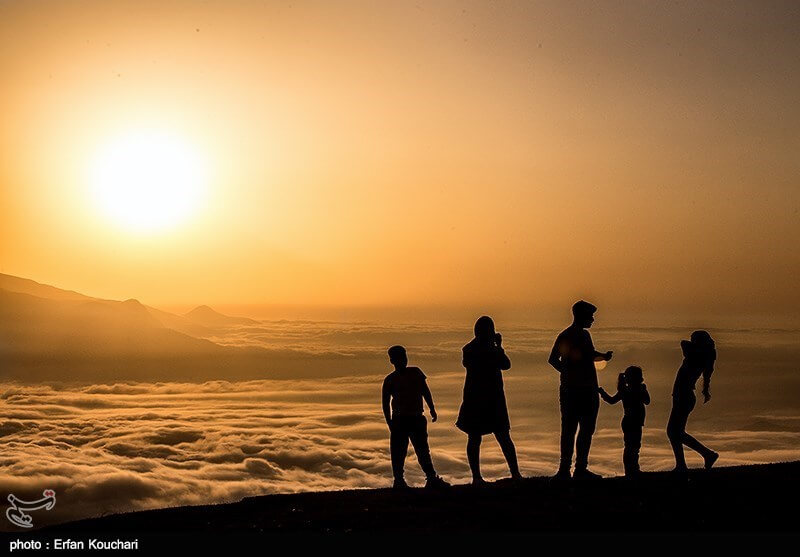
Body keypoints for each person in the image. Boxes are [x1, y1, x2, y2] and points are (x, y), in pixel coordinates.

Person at [548, 300, 613, 480]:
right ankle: (566, 469)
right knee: (571, 429)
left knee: (585, 429)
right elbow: (553, 359)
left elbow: (588, 354)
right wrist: (569, 372)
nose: (592, 319)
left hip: (585, 389)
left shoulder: (583, 336)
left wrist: (602, 356)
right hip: (574, 390)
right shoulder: (567, 336)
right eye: (590, 316)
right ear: (581, 316)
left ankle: (579, 469)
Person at [456, 316, 522, 485]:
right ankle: (513, 474)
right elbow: (506, 364)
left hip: (478, 398)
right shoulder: (480, 350)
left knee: (478, 437)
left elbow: (505, 365)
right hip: (488, 398)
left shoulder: (469, 349)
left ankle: (478, 477)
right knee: (499, 436)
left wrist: (496, 347)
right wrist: (498, 347)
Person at [382, 345, 450, 489]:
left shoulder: (415, 373)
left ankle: (430, 478)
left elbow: (425, 391)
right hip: (400, 420)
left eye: (404, 357)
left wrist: (432, 408)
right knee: (399, 452)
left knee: (422, 449)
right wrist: (390, 423)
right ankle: (399, 480)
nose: (403, 361)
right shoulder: (390, 380)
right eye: (400, 358)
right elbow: (385, 403)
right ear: (392, 360)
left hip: (415, 418)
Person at [667, 330, 719, 474]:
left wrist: (698, 346)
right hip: (685, 395)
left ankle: (705, 455)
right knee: (675, 432)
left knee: (674, 432)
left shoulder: (695, 354)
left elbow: (683, 343)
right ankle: (687, 462)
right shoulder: (706, 356)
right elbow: (707, 376)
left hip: (683, 396)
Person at [599, 366, 650, 477]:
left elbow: (647, 401)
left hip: (634, 421)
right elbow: (612, 401)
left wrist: (643, 390)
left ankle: (633, 470)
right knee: (631, 447)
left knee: (634, 446)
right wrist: (602, 392)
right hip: (631, 421)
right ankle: (630, 471)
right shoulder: (625, 390)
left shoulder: (631, 389)